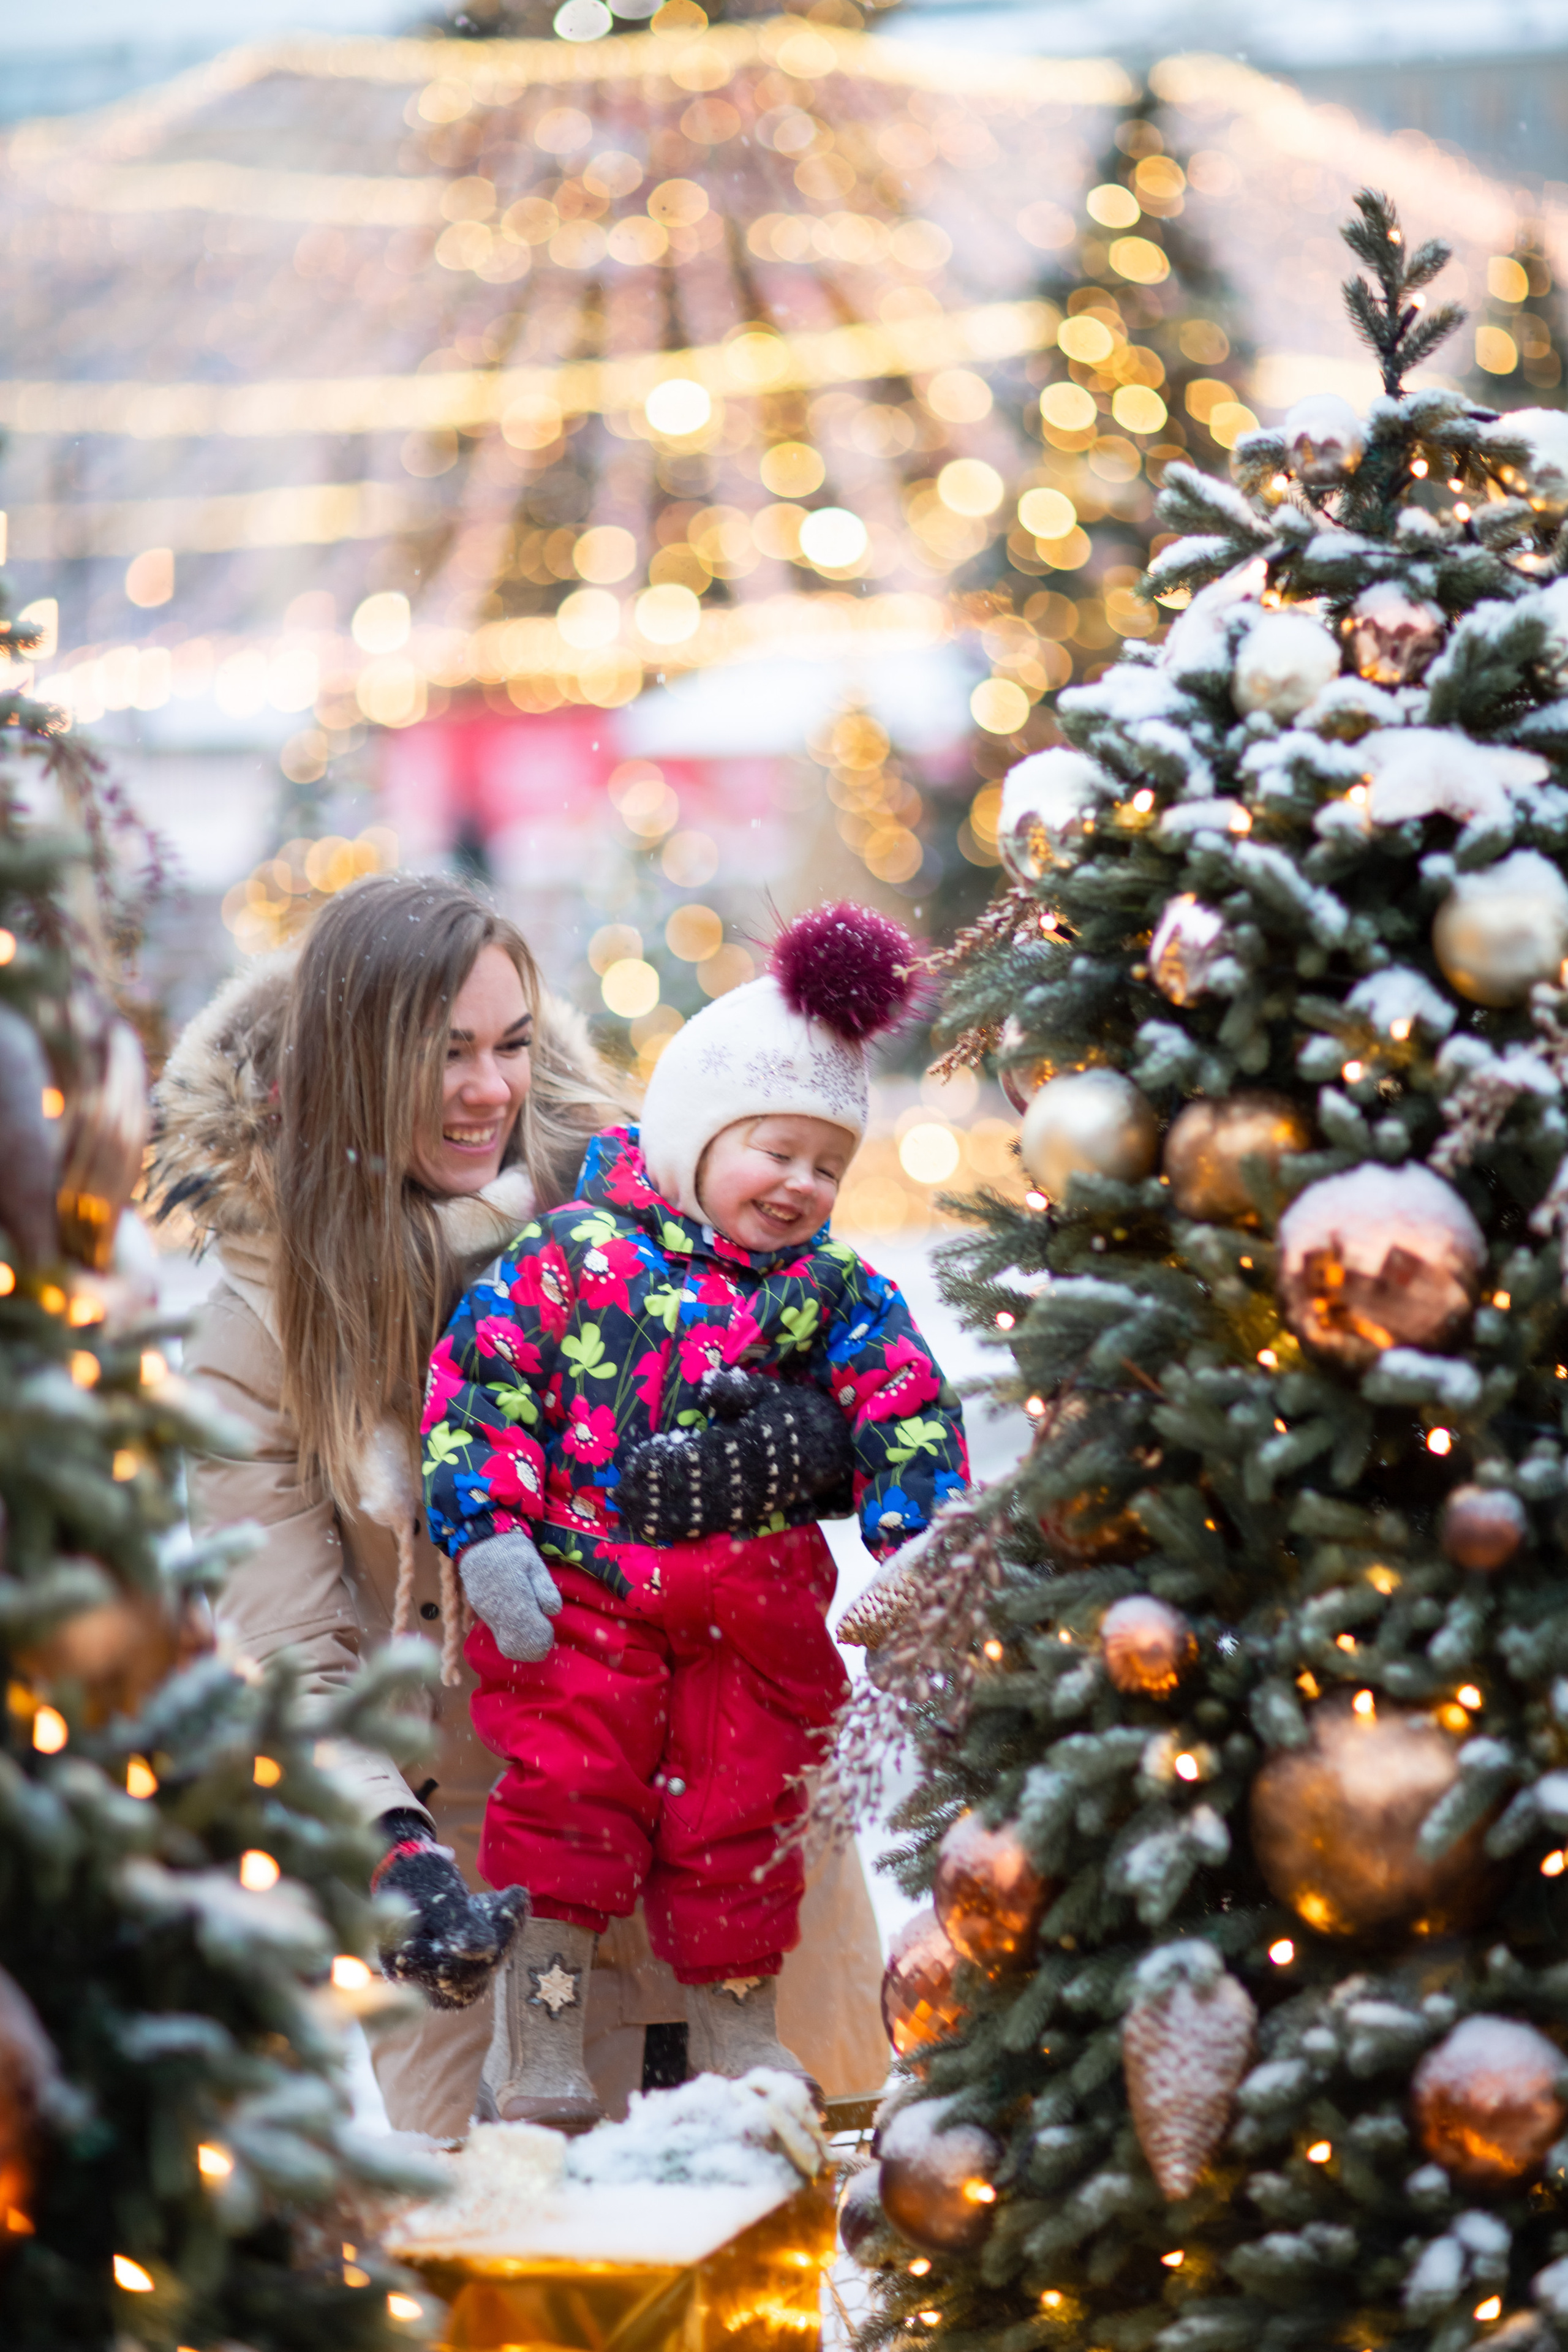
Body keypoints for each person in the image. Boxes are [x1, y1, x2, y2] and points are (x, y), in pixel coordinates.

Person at [153, 875, 889, 2138]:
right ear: (348, 1062)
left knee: (749, 2249)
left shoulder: (644, 1189)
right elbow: (287, 1646)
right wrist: (386, 1852)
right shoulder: (258, 1324)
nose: (487, 1090)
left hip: (725, 1778)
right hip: (494, 1844)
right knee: (517, 2268)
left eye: (507, 1046)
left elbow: (847, 1347)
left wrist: (810, 1444)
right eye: (440, 1055)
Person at [423, 903, 970, 2130]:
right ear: (694, 1135)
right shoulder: (573, 1255)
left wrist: (915, 1532)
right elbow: (481, 1383)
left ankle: (739, 2043)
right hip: (588, 1613)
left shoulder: (831, 1289)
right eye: (773, 1150)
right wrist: (489, 1530)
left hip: (749, 1633)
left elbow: (903, 1401)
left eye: (827, 1165)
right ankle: (543, 2043)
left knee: (742, 1826)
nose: (800, 1185)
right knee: (560, 1815)